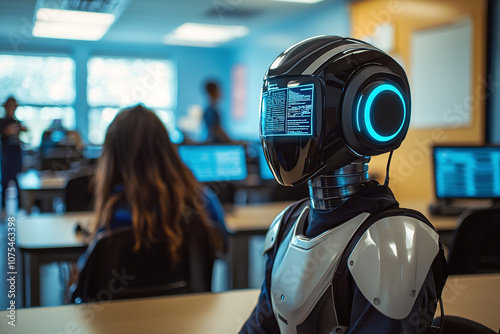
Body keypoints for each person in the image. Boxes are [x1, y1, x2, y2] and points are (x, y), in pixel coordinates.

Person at [240, 36, 447, 334]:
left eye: (298, 108)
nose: (282, 127)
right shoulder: (287, 224)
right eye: (277, 109)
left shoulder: (393, 243)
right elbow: (261, 326)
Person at [69, 104, 227, 301]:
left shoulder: (113, 215)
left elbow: (90, 286)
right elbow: (223, 246)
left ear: (111, 158)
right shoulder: (204, 202)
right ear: (167, 149)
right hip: (187, 320)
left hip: (115, 323)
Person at [0, 96, 26, 208]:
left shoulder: (17, 122)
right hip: (7, 154)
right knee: (5, 181)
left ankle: (20, 209)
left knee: (18, 181)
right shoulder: (2, 121)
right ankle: (4, 209)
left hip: (17, 153)